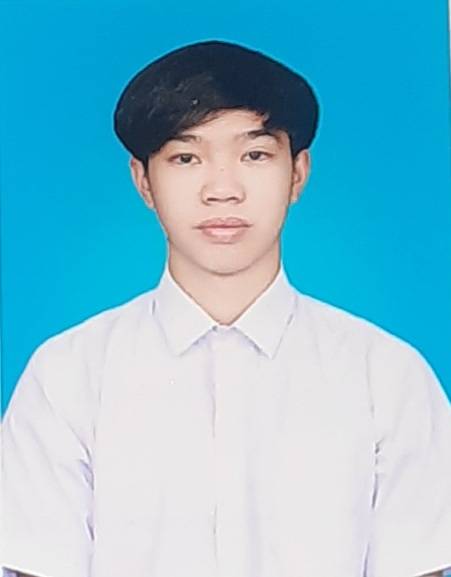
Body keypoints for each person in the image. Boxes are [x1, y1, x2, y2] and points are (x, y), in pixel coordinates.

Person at [2, 40, 450, 577]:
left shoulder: (388, 378)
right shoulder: (66, 377)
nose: (222, 190)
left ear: (298, 173)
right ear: (143, 181)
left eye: (254, 155)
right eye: (186, 158)